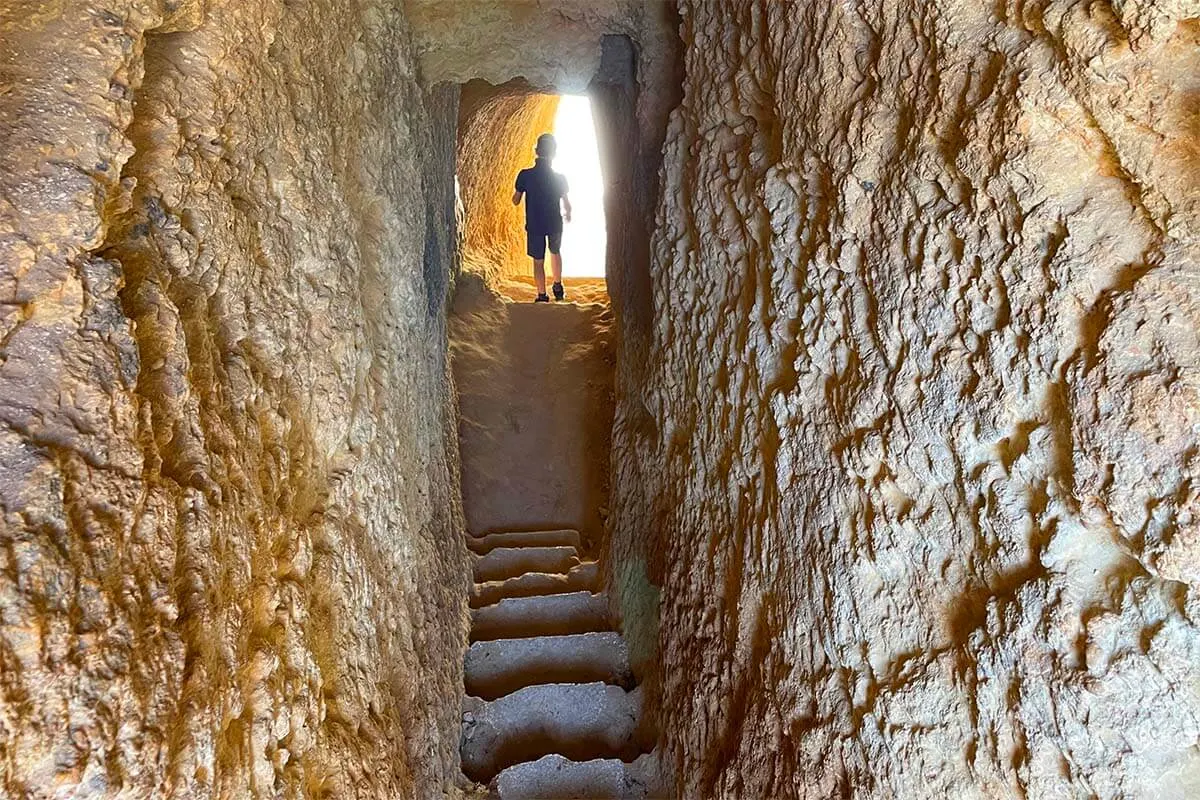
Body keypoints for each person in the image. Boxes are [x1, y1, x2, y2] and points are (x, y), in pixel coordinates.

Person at [513, 133, 571, 302]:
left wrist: (518, 196)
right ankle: (558, 287)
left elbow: (516, 200)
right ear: (554, 153)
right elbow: (567, 204)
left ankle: (541, 295)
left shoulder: (525, 175)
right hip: (554, 223)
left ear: (536, 151)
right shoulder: (560, 178)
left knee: (538, 260)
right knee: (555, 252)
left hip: (535, 224)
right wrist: (568, 214)